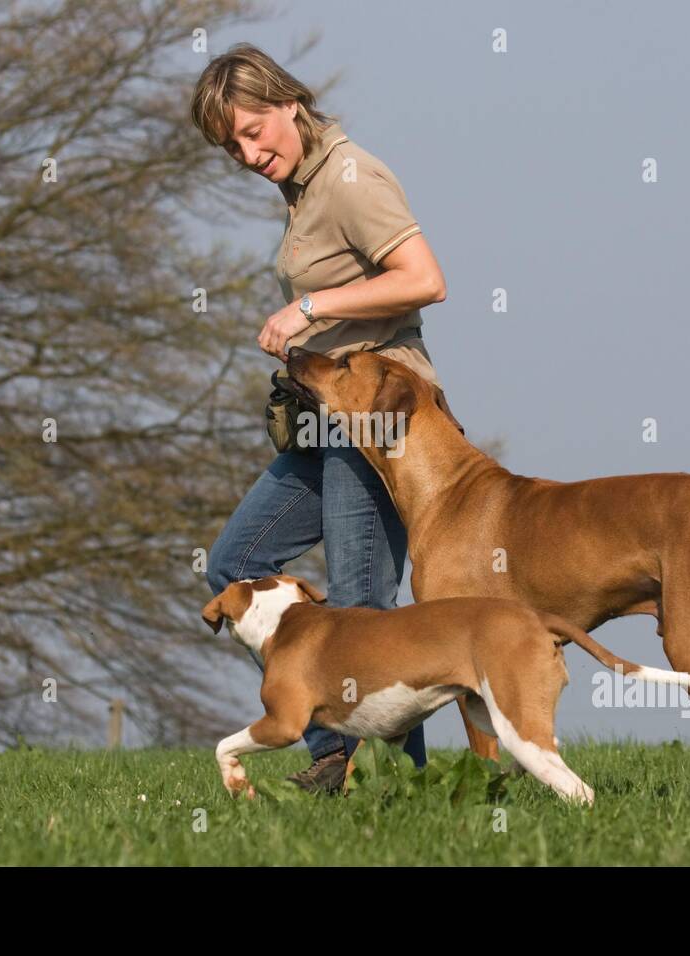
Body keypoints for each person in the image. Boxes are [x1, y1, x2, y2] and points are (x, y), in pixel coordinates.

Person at [190, 44, 452, 793]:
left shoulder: (347, 178)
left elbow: (426, 280)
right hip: (323, 420)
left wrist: (310, 305)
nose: (248, 152)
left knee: (364, 616)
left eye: (253, 131)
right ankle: (329, 743)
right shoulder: (304, 188)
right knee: (236, 567)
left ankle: (384, 788)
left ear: (287, 103)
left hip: (376, 419)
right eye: (232, 145)